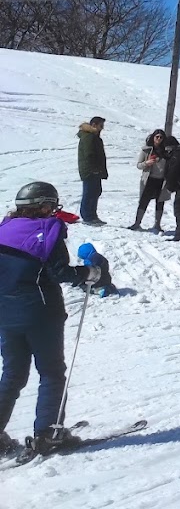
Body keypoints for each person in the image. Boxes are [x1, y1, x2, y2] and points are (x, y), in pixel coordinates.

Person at [0, 182, 99, 458]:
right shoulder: (47, 230)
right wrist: (88, 274)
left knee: (12, 373)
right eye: (52, 206)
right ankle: (48, 433)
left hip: (6, 314)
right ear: (43, 206)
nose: (54, 211)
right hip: (40, 313)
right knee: (52, 372)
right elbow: (59, 272)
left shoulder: (4, 229)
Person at [130, 129, 171, 233]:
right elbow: (139, 165)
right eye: (157, 137)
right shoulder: (146, 150)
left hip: (162, 180)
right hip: (149, 179)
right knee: (143, 201)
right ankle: (137, 223)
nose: (159, 139)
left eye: (161, 137)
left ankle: (157, 225)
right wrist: (146, 163)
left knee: (160, 202)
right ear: (153, 138)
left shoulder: (167, 152)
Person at [76, 116, 108, 226]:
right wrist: (95, 169)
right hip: (90, 171)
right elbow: (90, 154)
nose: (102, 128)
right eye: (101, 125)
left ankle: (92, 215)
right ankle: (87, 216)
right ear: (94, 125)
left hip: (94, 170)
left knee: (96, 192)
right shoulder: (89, 137)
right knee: (89, 193)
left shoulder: (93, 137)